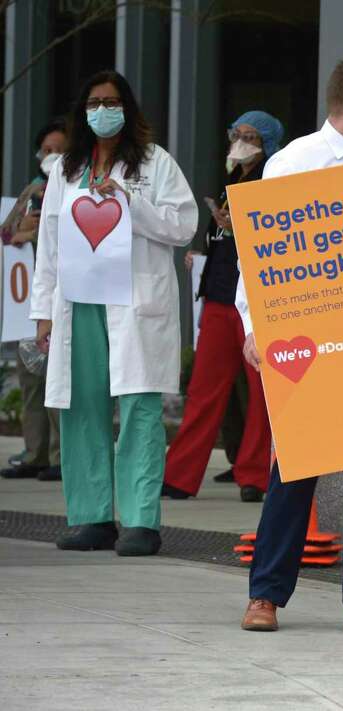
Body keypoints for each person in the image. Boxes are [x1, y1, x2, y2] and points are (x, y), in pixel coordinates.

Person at [236, 57, 343, 634]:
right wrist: (254, 323)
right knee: (296, 466)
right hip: (305, 335)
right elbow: (257, 252)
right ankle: (266, 595)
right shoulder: (293, 163)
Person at [30, 70, 198, 556]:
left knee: (140, 409)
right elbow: (49, 244)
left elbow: (183, 225)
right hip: (78, 302)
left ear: (128, 107)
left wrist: (132, 203)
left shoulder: (155, 163)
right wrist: (43, 311)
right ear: (83, 111)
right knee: (81, 409)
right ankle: (92, 517)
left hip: (133, 301)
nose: (105, 109)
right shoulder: (64, 169)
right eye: (96, 101)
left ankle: (141, 521)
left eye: (113, 100)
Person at [160, 111, 283, 504]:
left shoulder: (275, 176)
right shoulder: (233, 178)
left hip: (254, 301)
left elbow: (275, 235)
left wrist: (238, 228)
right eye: (238, 133)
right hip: (219, 294)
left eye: (251, 136)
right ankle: (181, 474)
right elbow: (223, 235)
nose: (242, 141)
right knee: (203, 389)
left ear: (267, 144)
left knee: (262, 395)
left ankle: (254, 474)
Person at [0, 118, 66, 482]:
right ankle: (35, 452)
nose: (53, 156)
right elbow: (7, 232)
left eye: (60, 149)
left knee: (58, 381)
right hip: (28, 301)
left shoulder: (75, 187)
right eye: (48, 150)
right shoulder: (33, 191)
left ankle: (60, 455)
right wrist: (29, 229)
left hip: (64, 299)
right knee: (31, 380)